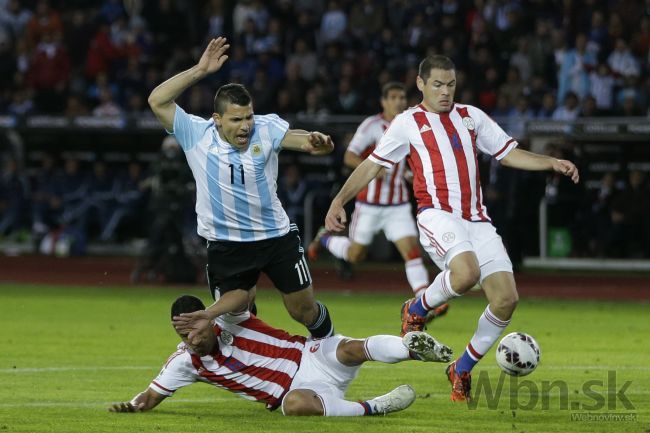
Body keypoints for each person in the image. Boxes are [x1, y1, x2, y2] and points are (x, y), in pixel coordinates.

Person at [324, 55, 579, 403]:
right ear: (421, 84)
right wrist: (339, 201)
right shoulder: (407, 122)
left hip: (477, 219)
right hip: (437, 215)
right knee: (465, 273)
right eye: (437, 85)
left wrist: (551, 162)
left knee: (506, 299)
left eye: (451, 84)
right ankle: (416, 308)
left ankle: (461, 368)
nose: (445, 92)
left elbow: (508, 154)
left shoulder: (471, 116)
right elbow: (370, 166)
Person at [147, 37, 336, 342]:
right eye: (236, 119)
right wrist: (200, 70)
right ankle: (267, 367)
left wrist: (318, 143)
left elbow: (302, 140)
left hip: (275, 237)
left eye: (248, 116)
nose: (246, 125)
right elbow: (157, 100)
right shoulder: (196, 134)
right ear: (217, 120)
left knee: (304, 311)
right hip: (227, 244)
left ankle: (331, 352)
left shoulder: (266, 128)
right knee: (237, 319)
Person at [109, 295, 453, 416]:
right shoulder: (186, 361)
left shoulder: (233, 317)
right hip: (297, 392)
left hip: (312, 356)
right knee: (294, 408)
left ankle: (411, 348)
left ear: (208, 319)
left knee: (350, 348)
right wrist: (134, 404)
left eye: (194, 329)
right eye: (182, 334)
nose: (191, 339)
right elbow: (151, 395)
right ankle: (375, 407)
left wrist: (216, 308)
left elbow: (243, 292)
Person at [308, 82, 446, 310]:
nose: (399, 101)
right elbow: (349, 156)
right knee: (355, 255)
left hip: (398, 205)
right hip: (369, 204)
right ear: (383, 102)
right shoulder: (372, 126)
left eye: (402, 97)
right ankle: (325, 238)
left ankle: (424, 302)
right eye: (393, 97)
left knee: (411, 251)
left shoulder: (412, 125)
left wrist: (410, 174)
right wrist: (374, 168)